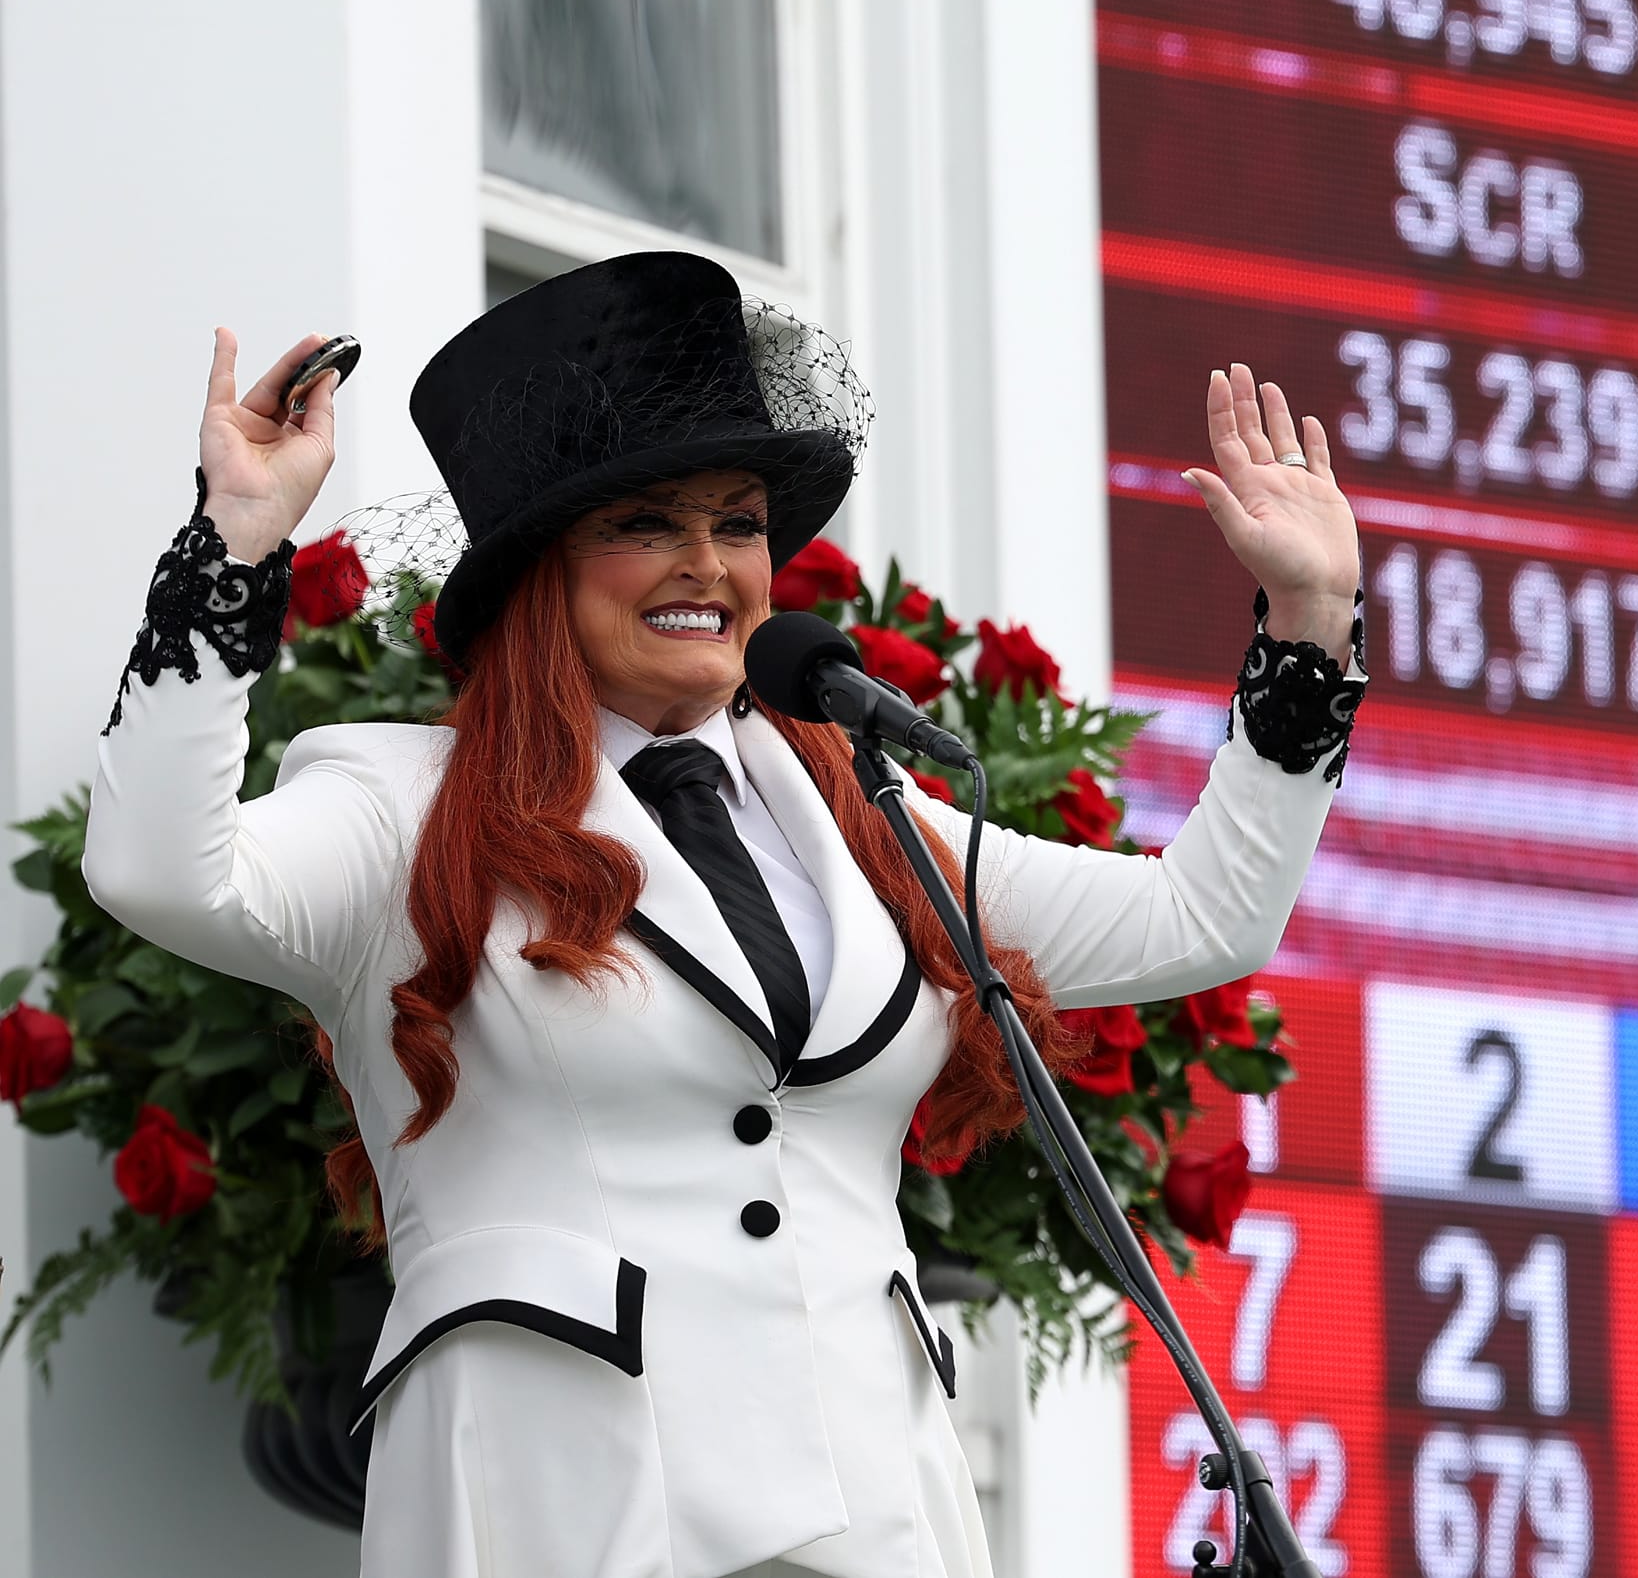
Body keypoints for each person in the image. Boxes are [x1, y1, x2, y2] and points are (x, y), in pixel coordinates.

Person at [81, 251, 1366, 1578]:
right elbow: (161, 870)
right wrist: (233, 545)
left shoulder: (867, 818)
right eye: (645, 522)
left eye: (740, 522)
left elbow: (1202, 917)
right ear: (541, 573)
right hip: (566, 1513)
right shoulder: (401, 807)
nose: (709, 564)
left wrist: (1310, 621)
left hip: (879, 1521)